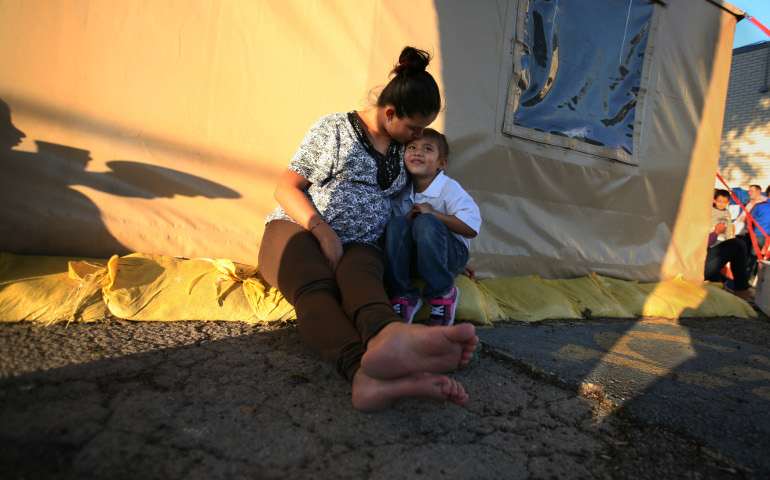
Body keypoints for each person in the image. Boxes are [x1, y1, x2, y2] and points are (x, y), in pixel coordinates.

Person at [257, 47, 479, 412]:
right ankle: (362, 370)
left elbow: (414, 208)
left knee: (366, 292)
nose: (418, 136)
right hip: (298, 230)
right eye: (413, 127)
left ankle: (393, 341)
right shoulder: (334, 130)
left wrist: (443, 252)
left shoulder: (402, 150)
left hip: (363, 244)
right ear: (390, 113)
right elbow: (286, 188)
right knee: (318, 288)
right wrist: (323, 231)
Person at [383, 128, 481, 326]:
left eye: (427, 149)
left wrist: (433, 214)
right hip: (416, 261)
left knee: (426, 222)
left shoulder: (448, 187)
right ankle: (403, 295)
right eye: (412, 147)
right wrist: (409, 221)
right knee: (397, 223)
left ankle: (443, 294)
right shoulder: (402, 191)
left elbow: (471, 228)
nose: (418, 152)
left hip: (451, 257)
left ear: (441, 164)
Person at [705, 190, 749, 300]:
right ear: (714, 200)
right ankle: (740, 290)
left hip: (718, 241)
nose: (721, 204)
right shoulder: (708, 212)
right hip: (709, 246)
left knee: (735, 245)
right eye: (719, 201)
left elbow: (729, 229)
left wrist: (729, 238)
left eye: (724, 202)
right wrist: (716, 232)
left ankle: (725, 284)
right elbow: (705, 241)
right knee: (738, 244)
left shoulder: (727, 214)